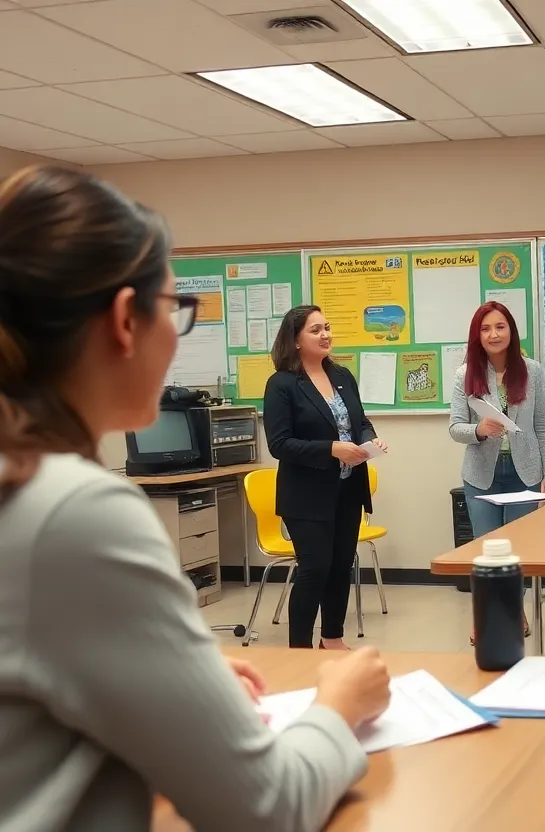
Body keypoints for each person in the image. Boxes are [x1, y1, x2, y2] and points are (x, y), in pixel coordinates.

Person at [0, 165, 391, 831]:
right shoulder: (77, 512)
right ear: (127, 320)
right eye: (176, 309)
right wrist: (338, 705)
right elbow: (268, 806)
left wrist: (169, 677)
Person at [264, 305, 388, 650]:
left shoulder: (342, 376)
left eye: (327, 327)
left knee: (340, 567)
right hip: (306, 494)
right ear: (296, 340)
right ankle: (299, 650)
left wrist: (369, 439)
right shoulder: (282, 385)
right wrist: (332, 449)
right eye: (315, 330)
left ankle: (332, 638)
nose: (325, 335)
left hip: (348, 489)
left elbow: (360, 421)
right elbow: (280, 444)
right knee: (314, 569)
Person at [449, 301, 545, 640]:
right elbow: (454, 428)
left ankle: (513, 610)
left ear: (511, 330)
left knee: (519, 549)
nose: (493, 334)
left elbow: (544, 426)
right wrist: (479, 429)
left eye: (500, 327)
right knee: (486, 549)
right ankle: (483, 615)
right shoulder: (464, 374)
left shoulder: (533, 370)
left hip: (526, 472)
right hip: (482, 473)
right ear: (477, 336)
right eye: (485, 329)